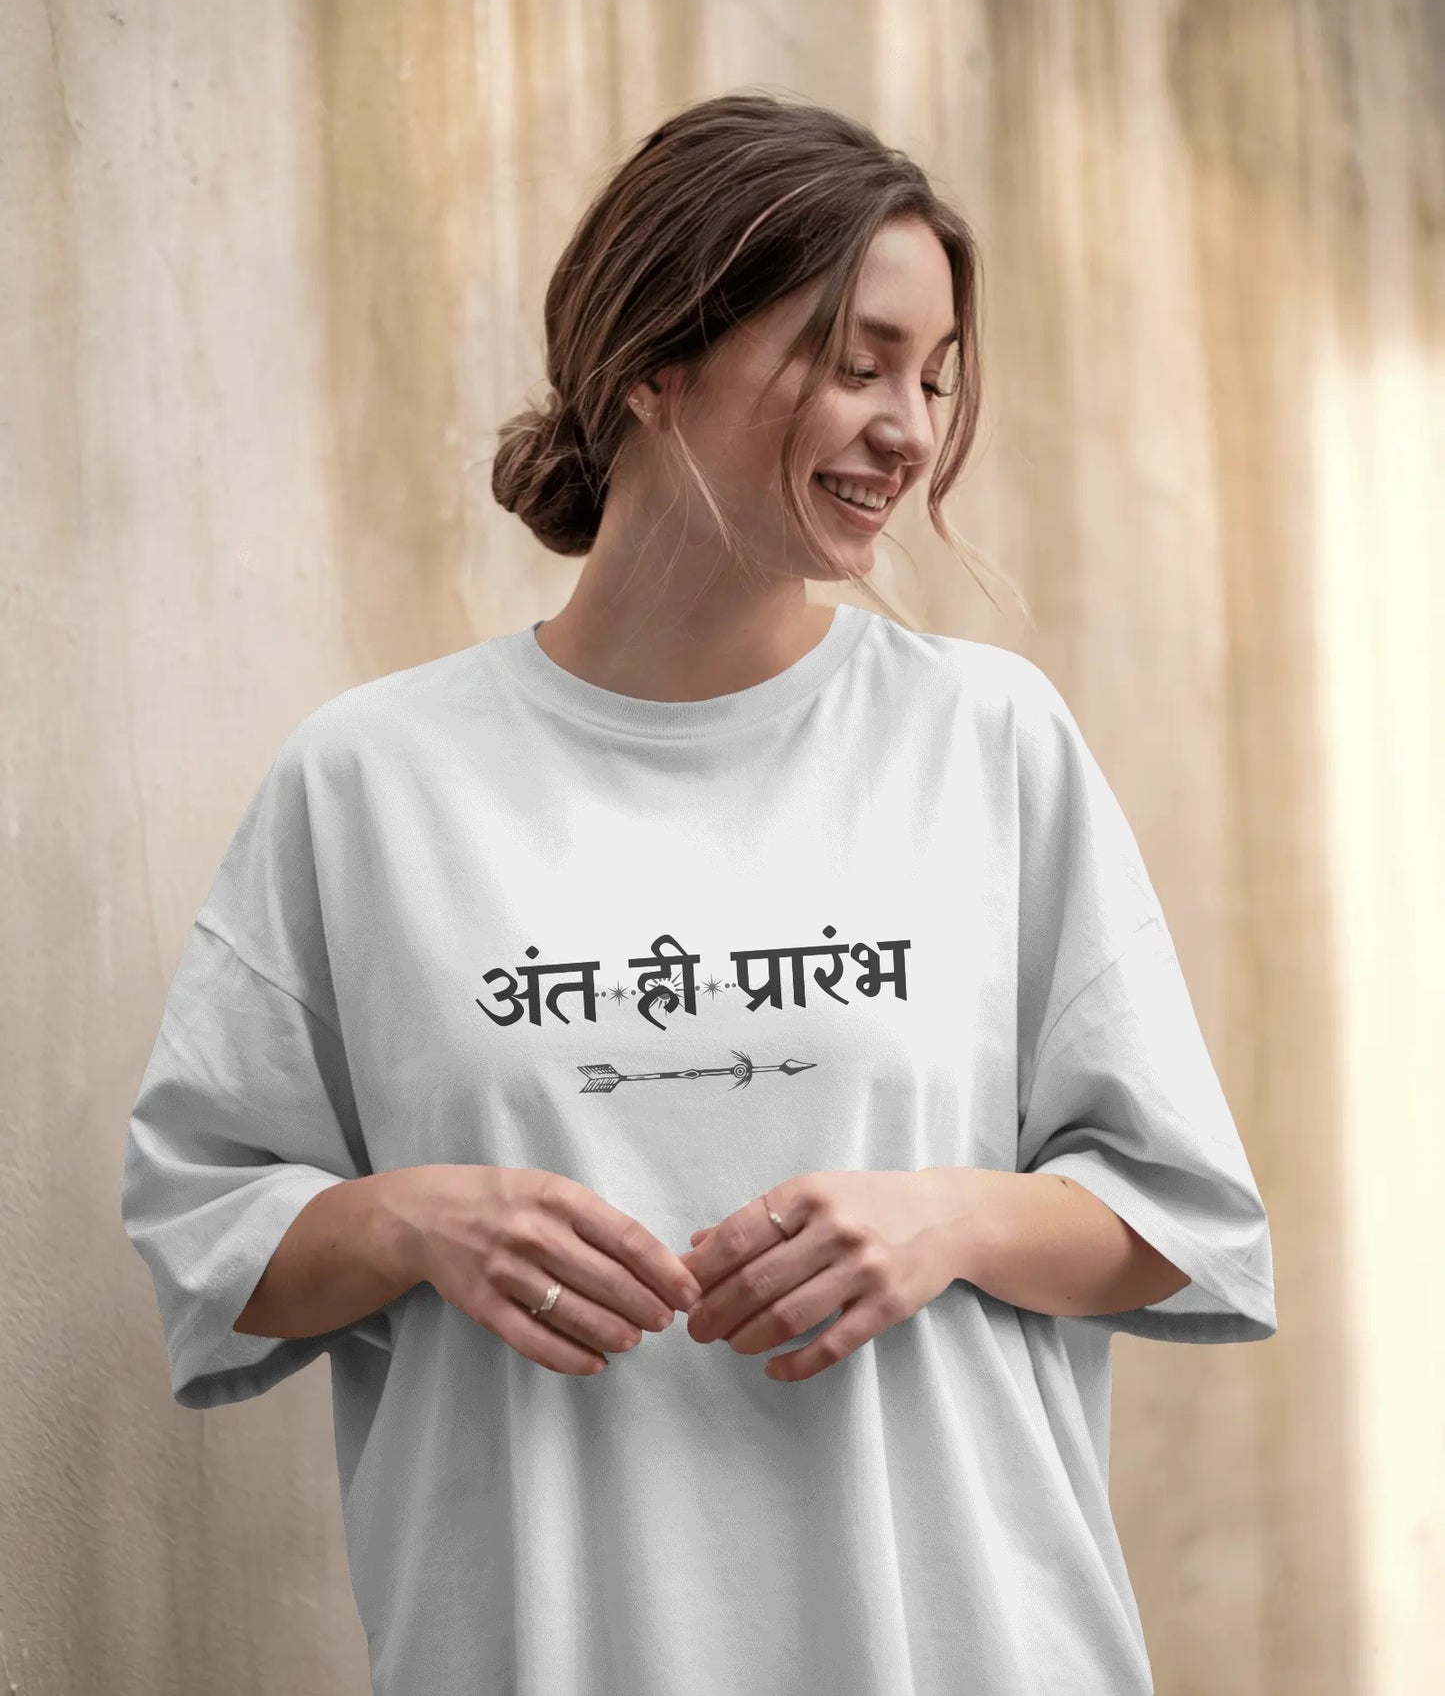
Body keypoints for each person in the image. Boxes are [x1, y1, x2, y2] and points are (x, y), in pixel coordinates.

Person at [119, 89, 1277, 1696]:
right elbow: (206, 1228)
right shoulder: (372, 780)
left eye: (930, 377)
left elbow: (1177, 1221)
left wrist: (939, 1215)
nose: (908, 425)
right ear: (659, 360)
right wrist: (409, 1218)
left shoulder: (984, 738)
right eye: (855, 360)